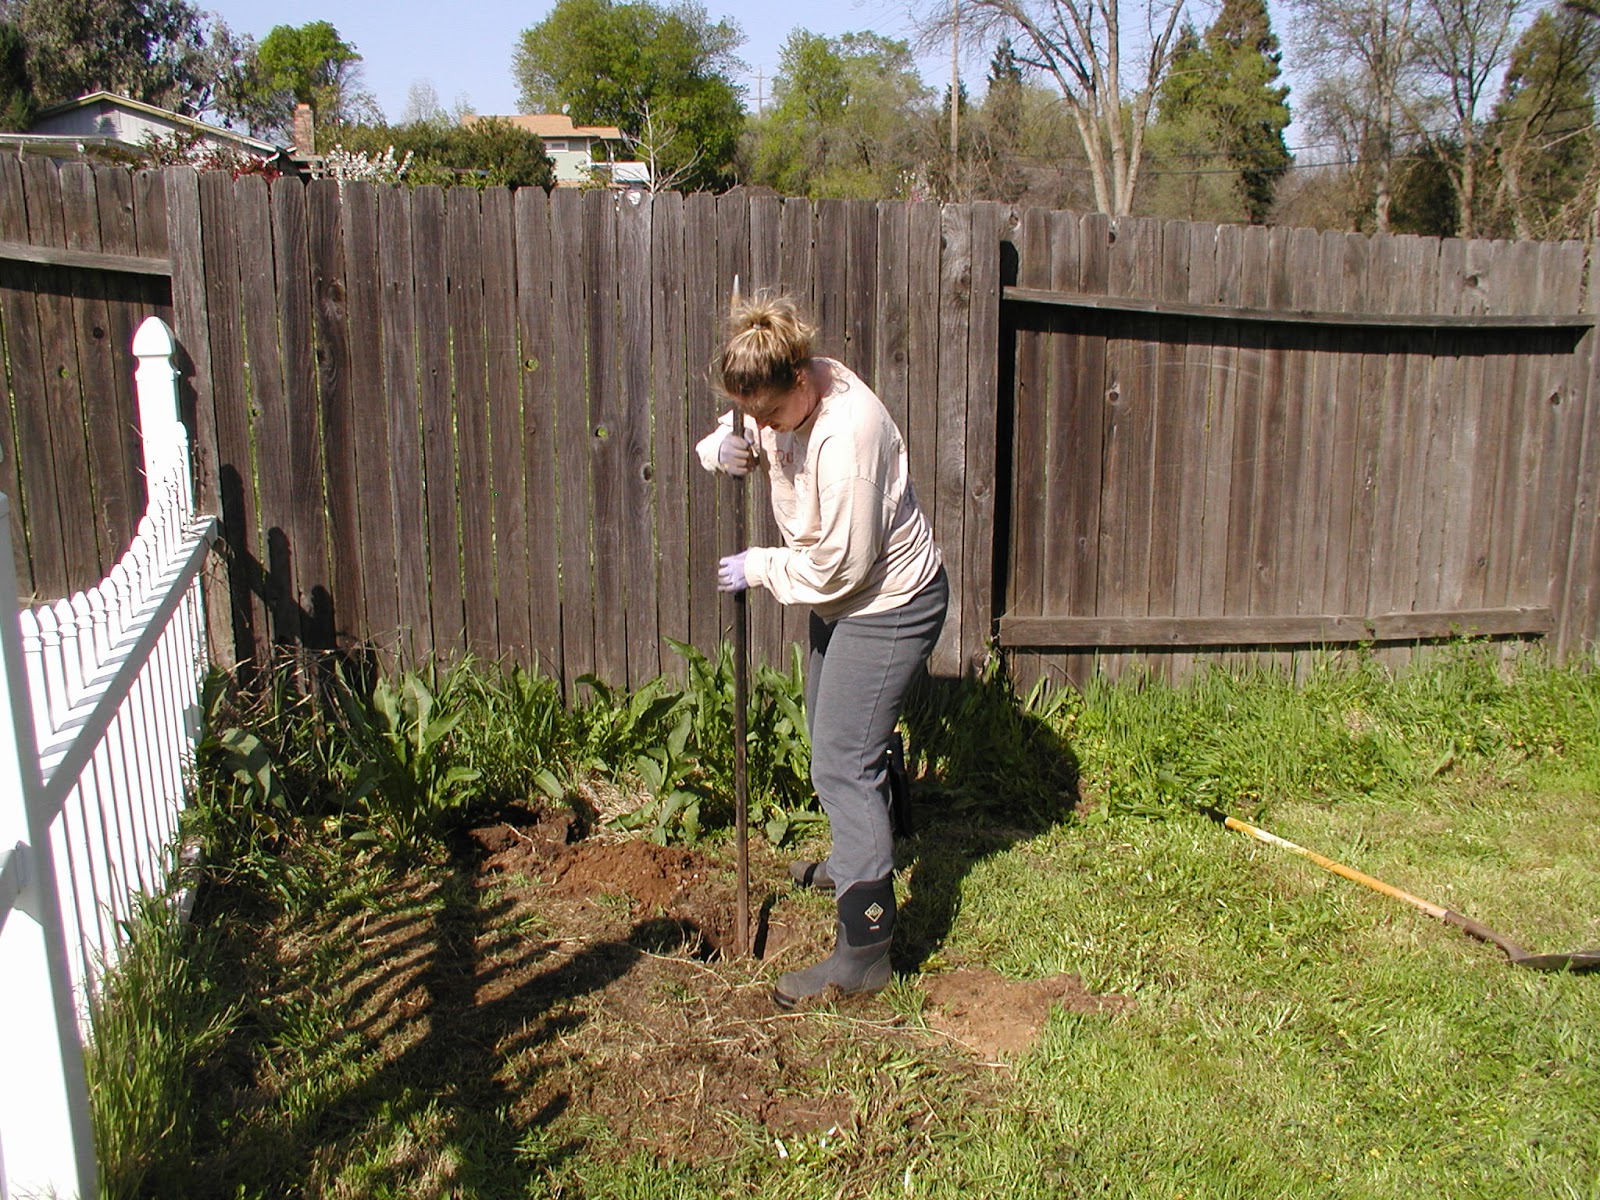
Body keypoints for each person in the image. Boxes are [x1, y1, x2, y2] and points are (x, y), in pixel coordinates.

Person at [696, 292, 947, 1008]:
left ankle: (865, 950)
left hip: (888, 603)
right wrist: (723, 445)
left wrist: (764, 565)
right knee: (834, 740)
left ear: (801, 382)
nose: (764, 428)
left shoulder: (851, 438)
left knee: (843, 759)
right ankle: (858, 856)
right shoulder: (782, 386)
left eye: (770, 415)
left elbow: (840, 564)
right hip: (842, 601)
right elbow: (741, 424)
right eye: (755, 417)